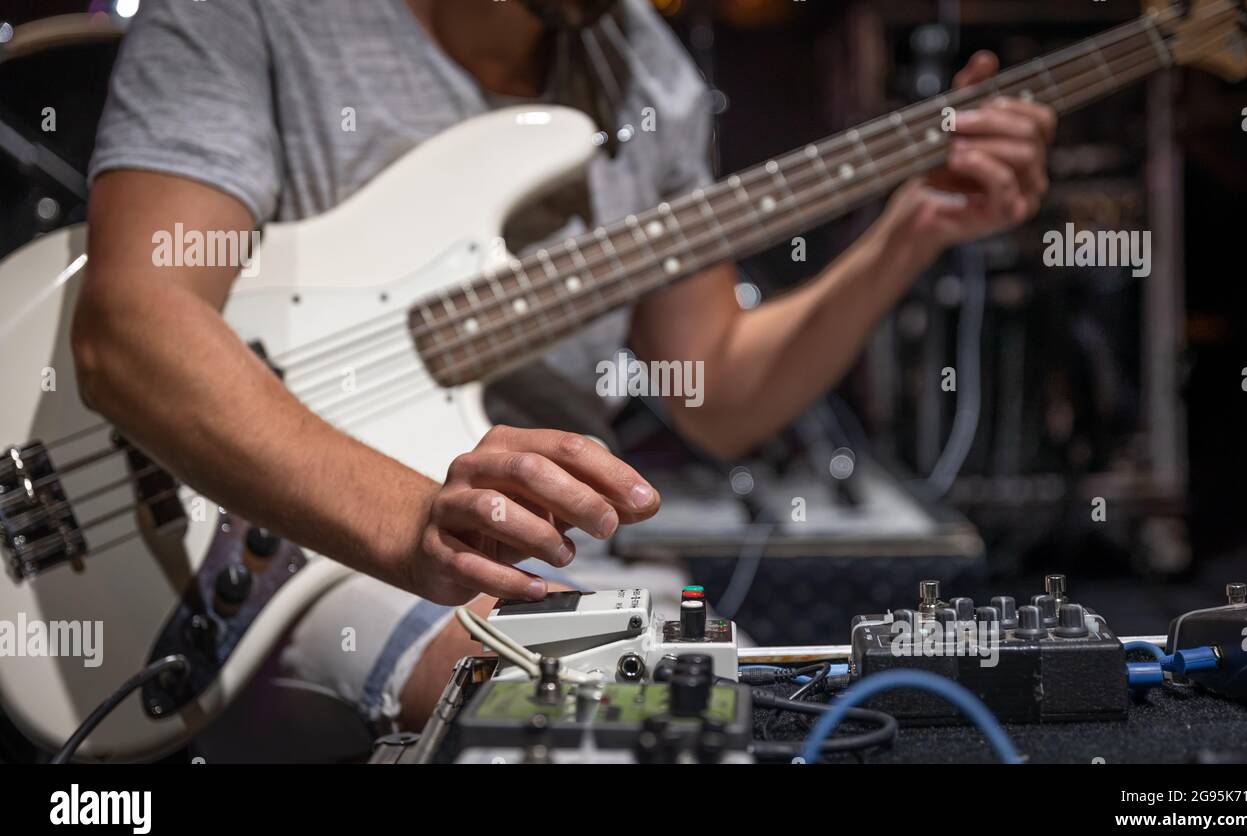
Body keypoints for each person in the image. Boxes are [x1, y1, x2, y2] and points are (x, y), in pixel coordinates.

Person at [72, 0, 1054, 737]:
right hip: (274, 550)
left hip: (536, 566)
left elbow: (711, 392)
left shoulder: (644, 73)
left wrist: (906, 235)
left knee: (762, 712)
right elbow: (134, 323)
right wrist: (411, 517)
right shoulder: (254, 15)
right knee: (609, 725)